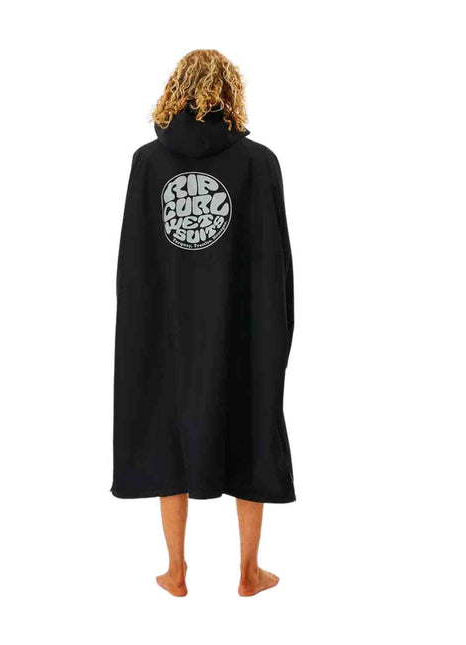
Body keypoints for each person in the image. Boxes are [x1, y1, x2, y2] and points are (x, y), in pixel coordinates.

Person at [112, 49, 295, 597]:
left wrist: (140, 328)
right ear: (229, 93)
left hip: (165, 328)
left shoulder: (148, 163)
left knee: (165, 431)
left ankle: (175, 571)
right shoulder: (259, 163)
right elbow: (274, 262)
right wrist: (276, 330)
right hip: (243, 328)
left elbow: (135, 259)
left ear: (176, 90)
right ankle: (249, 572)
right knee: (251, 424)